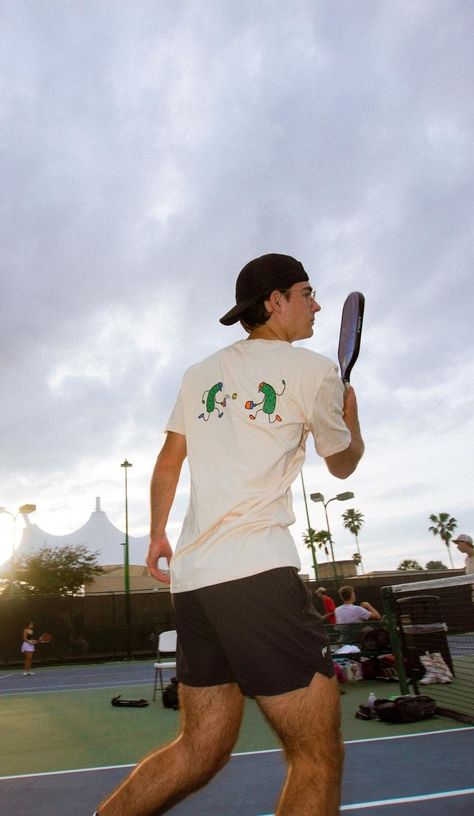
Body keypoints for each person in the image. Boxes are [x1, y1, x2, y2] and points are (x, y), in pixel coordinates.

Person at [97, 252, 364, 816]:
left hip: (195, 581)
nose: (316, 305)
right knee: (317, 757)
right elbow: (341, 463)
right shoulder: (315, 372)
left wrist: (155, 536)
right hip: (259, 576)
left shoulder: (199, 374)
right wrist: (352, 417)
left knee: (200, 748)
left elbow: (168, 462)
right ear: (275, 302)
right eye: (306, 292)